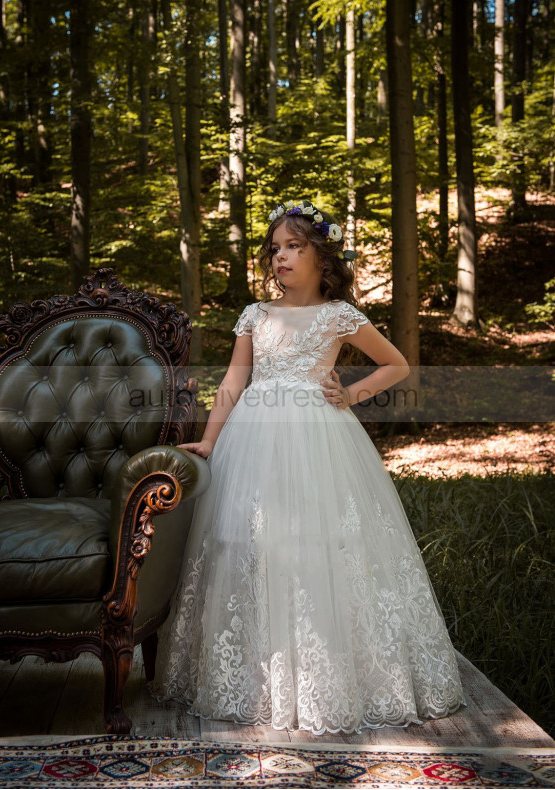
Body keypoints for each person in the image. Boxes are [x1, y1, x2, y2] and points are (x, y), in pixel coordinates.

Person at [150, 199, 466, 735]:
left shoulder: (340, 315)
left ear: (322, 254)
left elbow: (397, 364)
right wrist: (206, 441)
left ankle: (330, 675)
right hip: (252, 440)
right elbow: (232, 382)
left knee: (325, 545)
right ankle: (257, 673)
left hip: (320, 438)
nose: (281, 257)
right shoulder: (255, 314)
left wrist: (351, 393)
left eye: (294, 246)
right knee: (246, 544)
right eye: (274, 249)